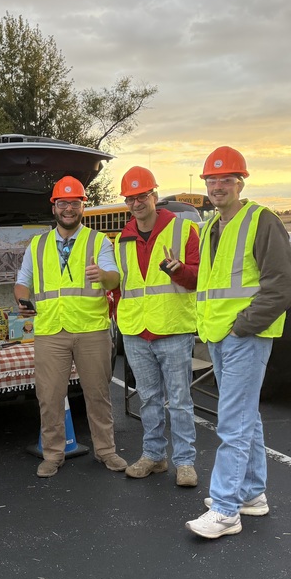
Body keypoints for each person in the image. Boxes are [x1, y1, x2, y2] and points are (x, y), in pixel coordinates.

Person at [185, 147, 291, 539]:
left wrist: (244, 325)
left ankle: (226, 509)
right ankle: (250, 495)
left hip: (243, 336)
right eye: (211, 180)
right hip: (220, 335)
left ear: (241, 182)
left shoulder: (260, 220)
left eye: (225, 179)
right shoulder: (211, 226)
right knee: (246, 416)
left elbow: (283, 283)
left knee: (232, 422)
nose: (217, 186)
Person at [14, 176, 127, 478]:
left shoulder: (98, 241)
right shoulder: (36, 245)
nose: (68, 208)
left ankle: (106, 452)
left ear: (82, 207)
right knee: (49, 397)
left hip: (91, 329)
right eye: (62, 203)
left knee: (98, 394)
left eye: (74, 203)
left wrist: (102, 275)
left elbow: (115, 278)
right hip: (50, 331)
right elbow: (22, 283)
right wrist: (23, 300)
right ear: (54, 207)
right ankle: (53, 454)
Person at [114, 166, 202, 486]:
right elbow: (120, 286)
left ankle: (185, 462)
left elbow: (197, 280)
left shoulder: (184, 231)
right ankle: (154, 456)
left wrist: (178, 271)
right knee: (149, 398)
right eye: (131, 198)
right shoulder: (122, 240)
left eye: (142, 196)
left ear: (155, 196)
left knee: (179, 400)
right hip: (137, 330)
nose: (137, 203)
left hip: (173, 328)